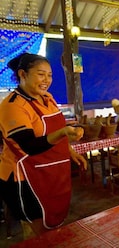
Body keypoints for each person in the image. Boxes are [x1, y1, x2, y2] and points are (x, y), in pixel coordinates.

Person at [0, 53, 87, 238]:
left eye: (49, 75)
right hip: (24, 179)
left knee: (54, 226)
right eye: (41, 74)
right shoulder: (12, 105)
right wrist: (64, 132)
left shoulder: (48, 98)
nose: (46, 80)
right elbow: (30, 146)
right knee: (41, 235)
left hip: (51, 173)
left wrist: (70, 151)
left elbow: (57, 130)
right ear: (23, 74)